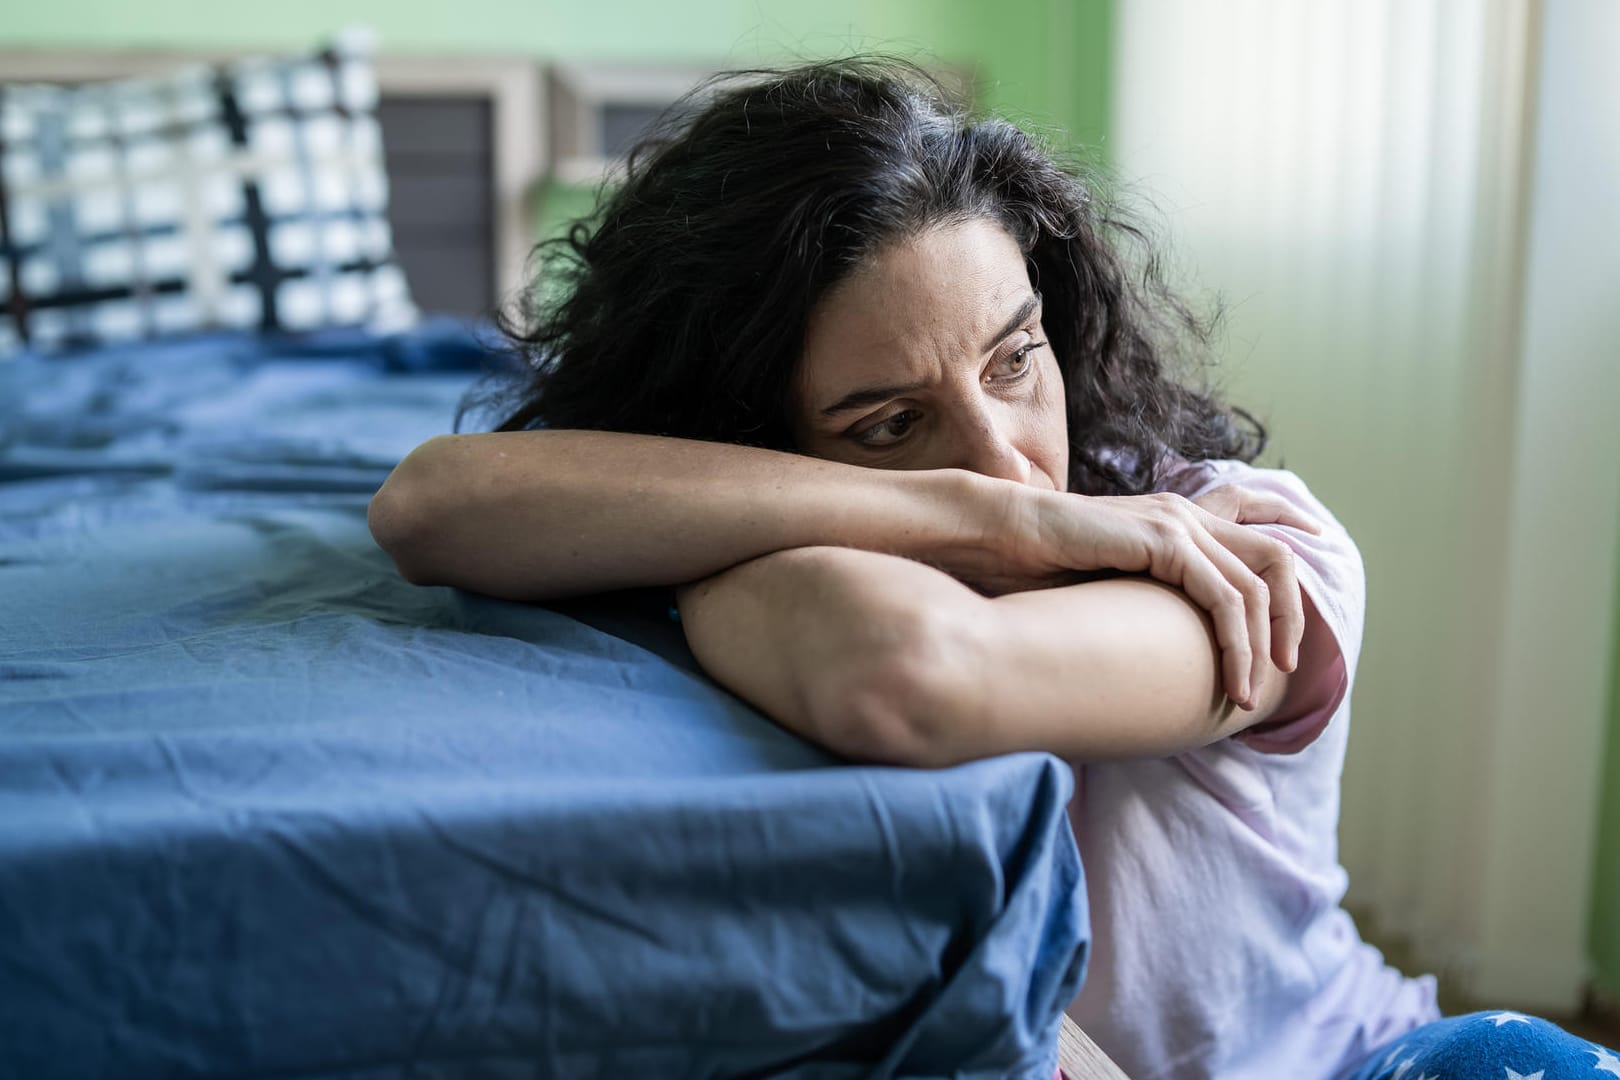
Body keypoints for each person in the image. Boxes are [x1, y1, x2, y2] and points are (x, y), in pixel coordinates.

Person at [368, 58, 1616, 1080]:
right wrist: (989, 524)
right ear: (751, 437)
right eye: (888, 423)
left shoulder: (1243, 553)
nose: (1008, 467)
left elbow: (913, 670)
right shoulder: (942, 519)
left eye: (1015, 361)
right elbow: (430, 504)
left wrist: (879, 515)